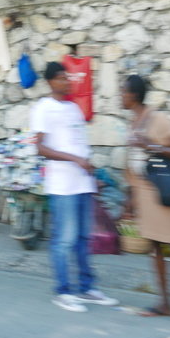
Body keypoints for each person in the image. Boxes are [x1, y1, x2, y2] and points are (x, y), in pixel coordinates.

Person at [31, 62, 118, 312]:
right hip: (62, 185)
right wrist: (74, 160)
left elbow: (80, 144)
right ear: (50, 82)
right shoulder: (43, 108)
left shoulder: (74, 109)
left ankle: (87, 287)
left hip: (82, 183)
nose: (67, 81)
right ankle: (63, 291)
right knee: (64, 239)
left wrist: (91, 174)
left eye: (67, 77)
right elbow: (40, 148)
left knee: (83, 238)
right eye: (61, 78)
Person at [121, 74, 170, 330]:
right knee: (155, 249)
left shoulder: (159, 120)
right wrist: (130, 200)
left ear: (134, 95)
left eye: (123, 92)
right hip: (144, 194)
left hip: (162, 193)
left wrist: (152, 146)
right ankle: (165, 303)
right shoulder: (134, 122)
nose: (120, 96)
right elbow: (134, 162)